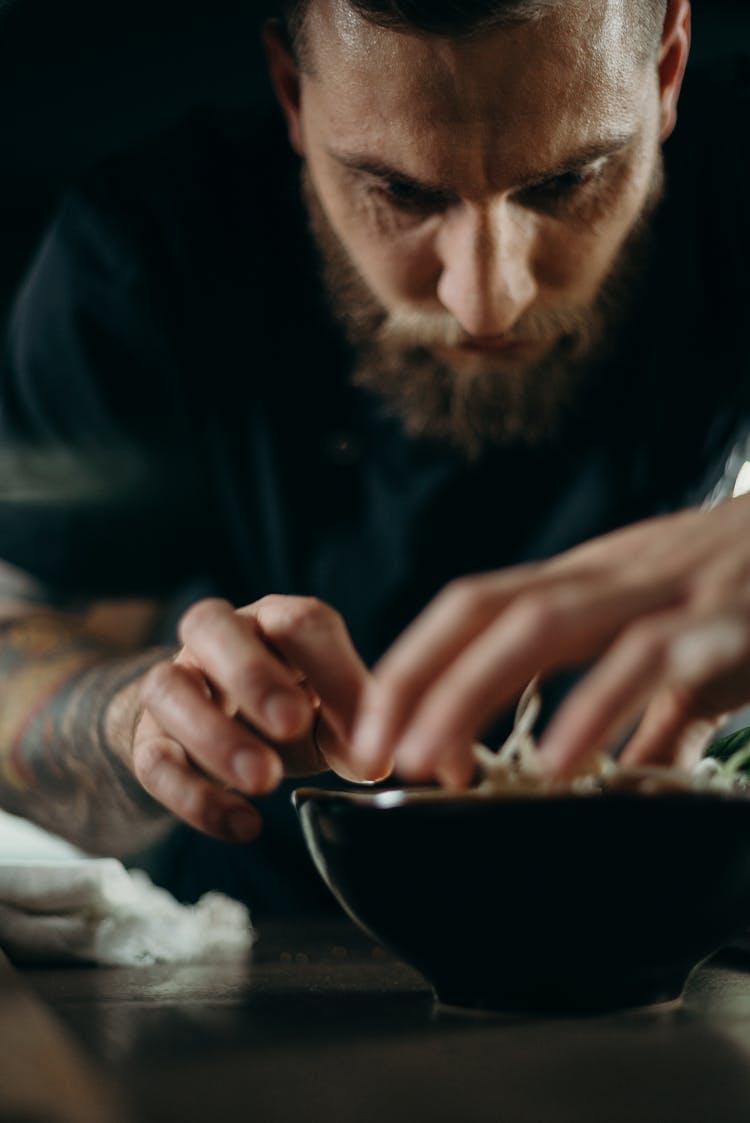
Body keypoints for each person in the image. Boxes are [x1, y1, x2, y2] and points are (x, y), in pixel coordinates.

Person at [0, 0, 748, 912]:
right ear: (293, 95)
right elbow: (22, 638)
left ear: (666, 68)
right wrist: (133, 720)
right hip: (268, 968)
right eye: (401, 193)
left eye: (565, 182)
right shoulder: (145, 258)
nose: (487, 300)